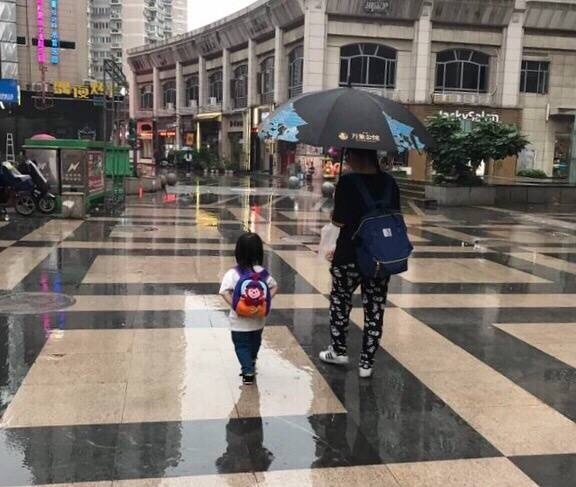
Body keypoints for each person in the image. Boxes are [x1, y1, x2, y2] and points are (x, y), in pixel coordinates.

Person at [319, 148, 401, 379]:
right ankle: (367, 363)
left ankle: (338, 351)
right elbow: (396, 216)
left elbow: (339, 221)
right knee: (375, 308)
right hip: (380, 256)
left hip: (348, 254)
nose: (347, 161)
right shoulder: (390, 183)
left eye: (349, 157)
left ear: (357, 156)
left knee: (340, 302)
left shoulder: (347, 182)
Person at [220, 232, 278, 385]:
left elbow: (224, 291)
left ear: (238, 252)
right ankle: (251, 361)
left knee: (241, 345)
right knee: (255, 342)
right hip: (259, 319)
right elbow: (274, 286)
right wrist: (265, 301)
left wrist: (236, 305)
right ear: (259, 252)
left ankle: (247, 371)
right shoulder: (262, 273)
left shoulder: (233, 273)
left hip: (239, 321)